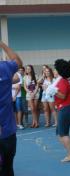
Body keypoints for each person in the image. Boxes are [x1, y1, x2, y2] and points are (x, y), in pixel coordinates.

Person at [46, 59, 70, 162]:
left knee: (63, 133)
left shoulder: (63, 81)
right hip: (65, 108)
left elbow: (62, 96)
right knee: (60, 133)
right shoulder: (60, 81)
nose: (54, 71)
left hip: (67, 108)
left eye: (55, 70)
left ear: (59, 70)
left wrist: (53, 91)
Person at [0, 41, 22, 176]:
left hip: (7, 129)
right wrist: (2, 44)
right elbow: (17, 61)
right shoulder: (4, 68)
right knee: (7, 167)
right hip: (6, 130)